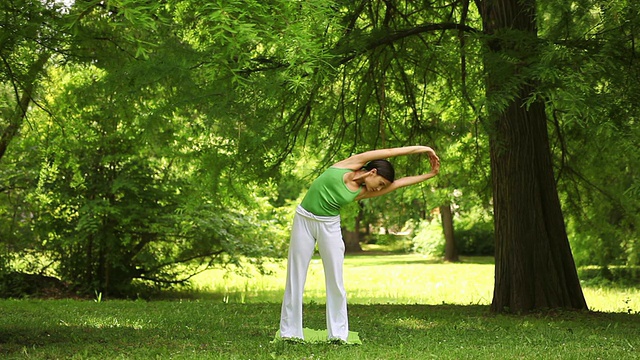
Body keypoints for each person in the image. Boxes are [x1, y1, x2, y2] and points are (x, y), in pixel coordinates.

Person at [278, 145, 440, 342]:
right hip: (303, 219)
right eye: (380, 183)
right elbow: (390, 153)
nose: (379, 189)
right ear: (372, 172)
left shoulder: (362, 192)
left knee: (335, 280)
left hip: (329, 225)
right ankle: (290, 333)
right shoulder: (350, 164)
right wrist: (425, 149)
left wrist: (430, 174)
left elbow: (400, 183)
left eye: (382, 187)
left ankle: (338, 334)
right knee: (295, 275)